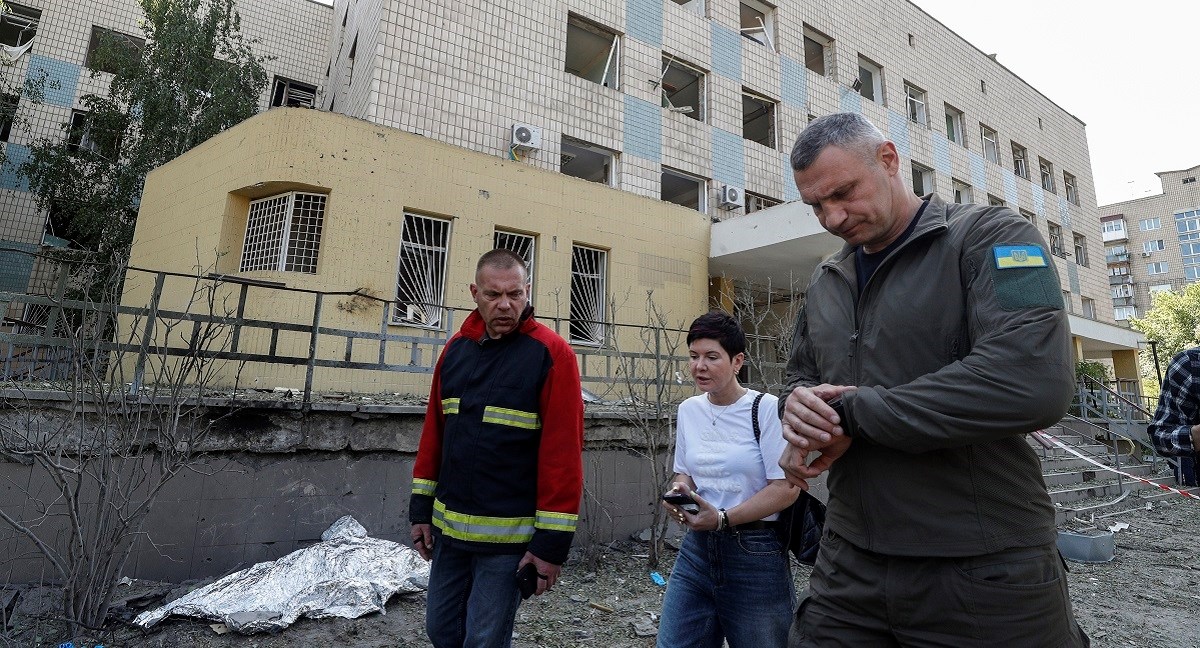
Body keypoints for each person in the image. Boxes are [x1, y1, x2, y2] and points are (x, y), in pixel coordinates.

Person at [776, 113, 1090, 647]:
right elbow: (800, 378)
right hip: (849, 562)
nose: (832, 217)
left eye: (844, 193)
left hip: (984, 568)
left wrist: (854, 413)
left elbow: (1031, 381)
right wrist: (799, 410)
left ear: (890, 160)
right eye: (816, 206)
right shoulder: (829, 279)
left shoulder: (993, 237)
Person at [409, 249, 584, 648]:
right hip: (449, 535)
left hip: (507, 543)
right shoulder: (455, 350)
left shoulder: (552, 354)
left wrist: (549, 548)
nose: (505, 304)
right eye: (493, 295)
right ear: (474, 293)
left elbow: (563, 457)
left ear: (528, 292)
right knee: (441, 631)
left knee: (483, 641)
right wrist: (420, 511)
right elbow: (434, 434)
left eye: (515, 294)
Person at [658, 310, 799, 648]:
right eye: (693, 356)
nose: (699, 366)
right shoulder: (690, 410)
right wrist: (680, 496)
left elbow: (786, 489)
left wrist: (722, 518)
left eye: (711, 357)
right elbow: (685, 474)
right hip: (696, 552)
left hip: (755, 553)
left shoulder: (766, 409)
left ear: (737, 361)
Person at [1149, 344, 1199, 487]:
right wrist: (1193, 435)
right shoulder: (1190, 364)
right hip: (1189, 455)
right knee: (1185, 469)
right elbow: (1159, 436)